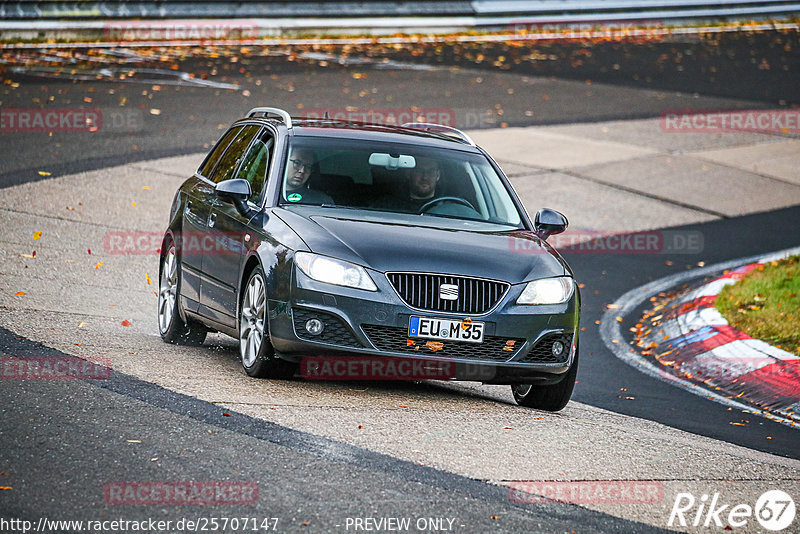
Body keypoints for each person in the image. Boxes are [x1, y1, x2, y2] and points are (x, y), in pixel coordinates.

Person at [371, 156, 442, 213]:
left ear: (438, 175)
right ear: (408, 174)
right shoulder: (387, 205)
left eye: (430, 172)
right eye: (419, 171)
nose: (425, 177)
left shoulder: (448, 208)